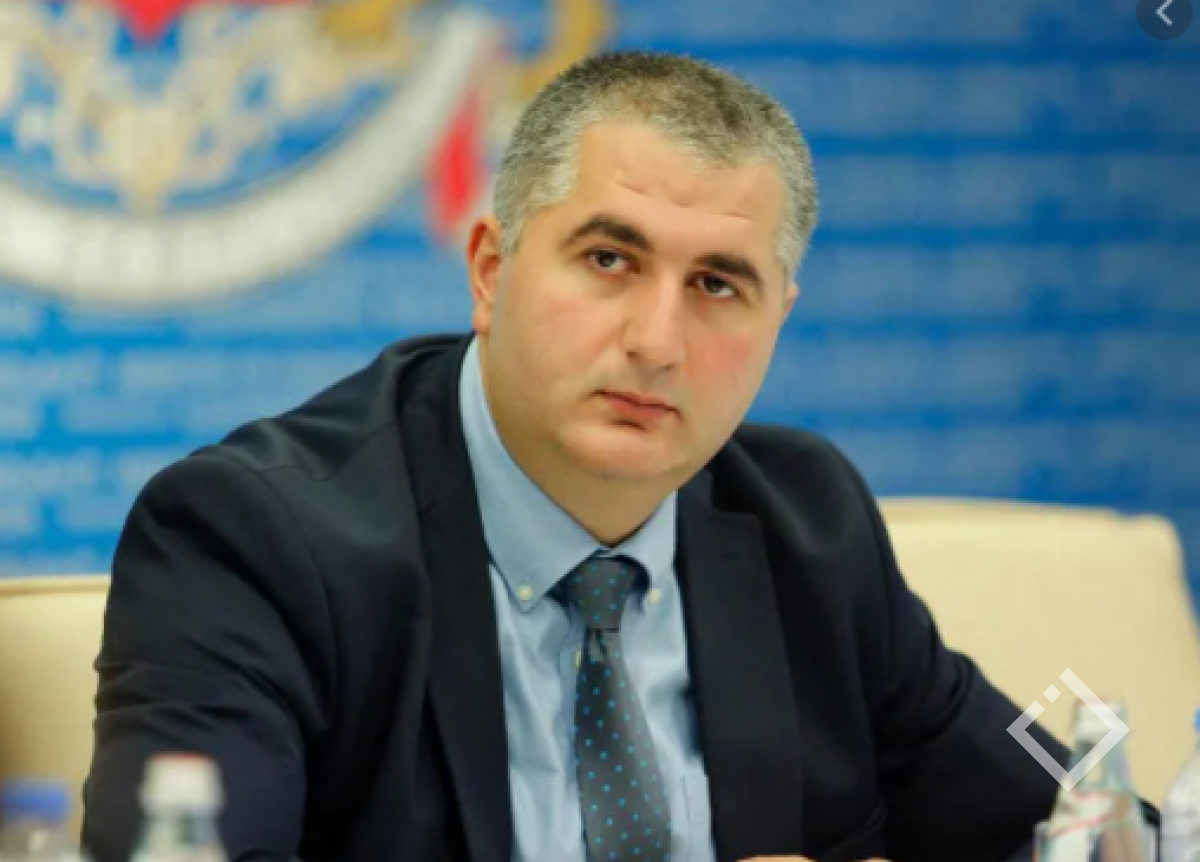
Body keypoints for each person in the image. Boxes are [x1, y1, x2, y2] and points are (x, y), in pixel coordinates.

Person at [83, 51, 1083, 862]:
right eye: (610, 260)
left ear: (779, 319)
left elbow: (1086, 830)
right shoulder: (252, 537)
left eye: (718, 285)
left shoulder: (810, 525)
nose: (657, 341)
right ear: (491, 271)